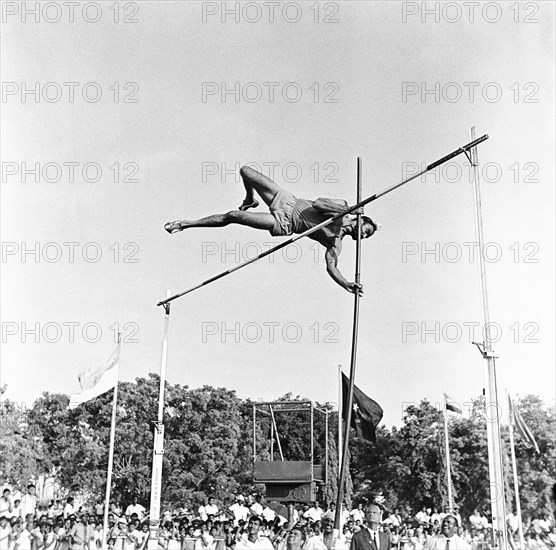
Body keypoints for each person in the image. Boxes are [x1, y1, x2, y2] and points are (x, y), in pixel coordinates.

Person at [164, 165, 379, 294]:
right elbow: (318, 204)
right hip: (289, 201)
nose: (364, 236)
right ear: (361, 220)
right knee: (245, 171)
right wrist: (347, 209)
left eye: (366, 236)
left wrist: (345, 284)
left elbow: (331, 266)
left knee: (234, 216)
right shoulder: (342, 206)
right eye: (366, 231)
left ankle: (185, 224)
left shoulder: (336, 243)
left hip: (285, 224)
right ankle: (249, 198)